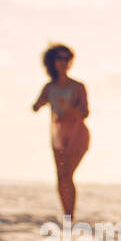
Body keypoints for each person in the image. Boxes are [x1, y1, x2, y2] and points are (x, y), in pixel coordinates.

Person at [32, 45, 90, 219]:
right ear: (52, 62)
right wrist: (39, 104)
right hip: (58, 134)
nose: (63, 62)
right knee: (60, 176)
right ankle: (66, 213)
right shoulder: (49, 87)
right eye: (60, 58)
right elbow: (36, 105)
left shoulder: (78, 86)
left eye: (67, 58)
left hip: (77, 134)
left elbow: (85, 114)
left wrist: (68, 108)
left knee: (67, 175)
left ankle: (71, 214)